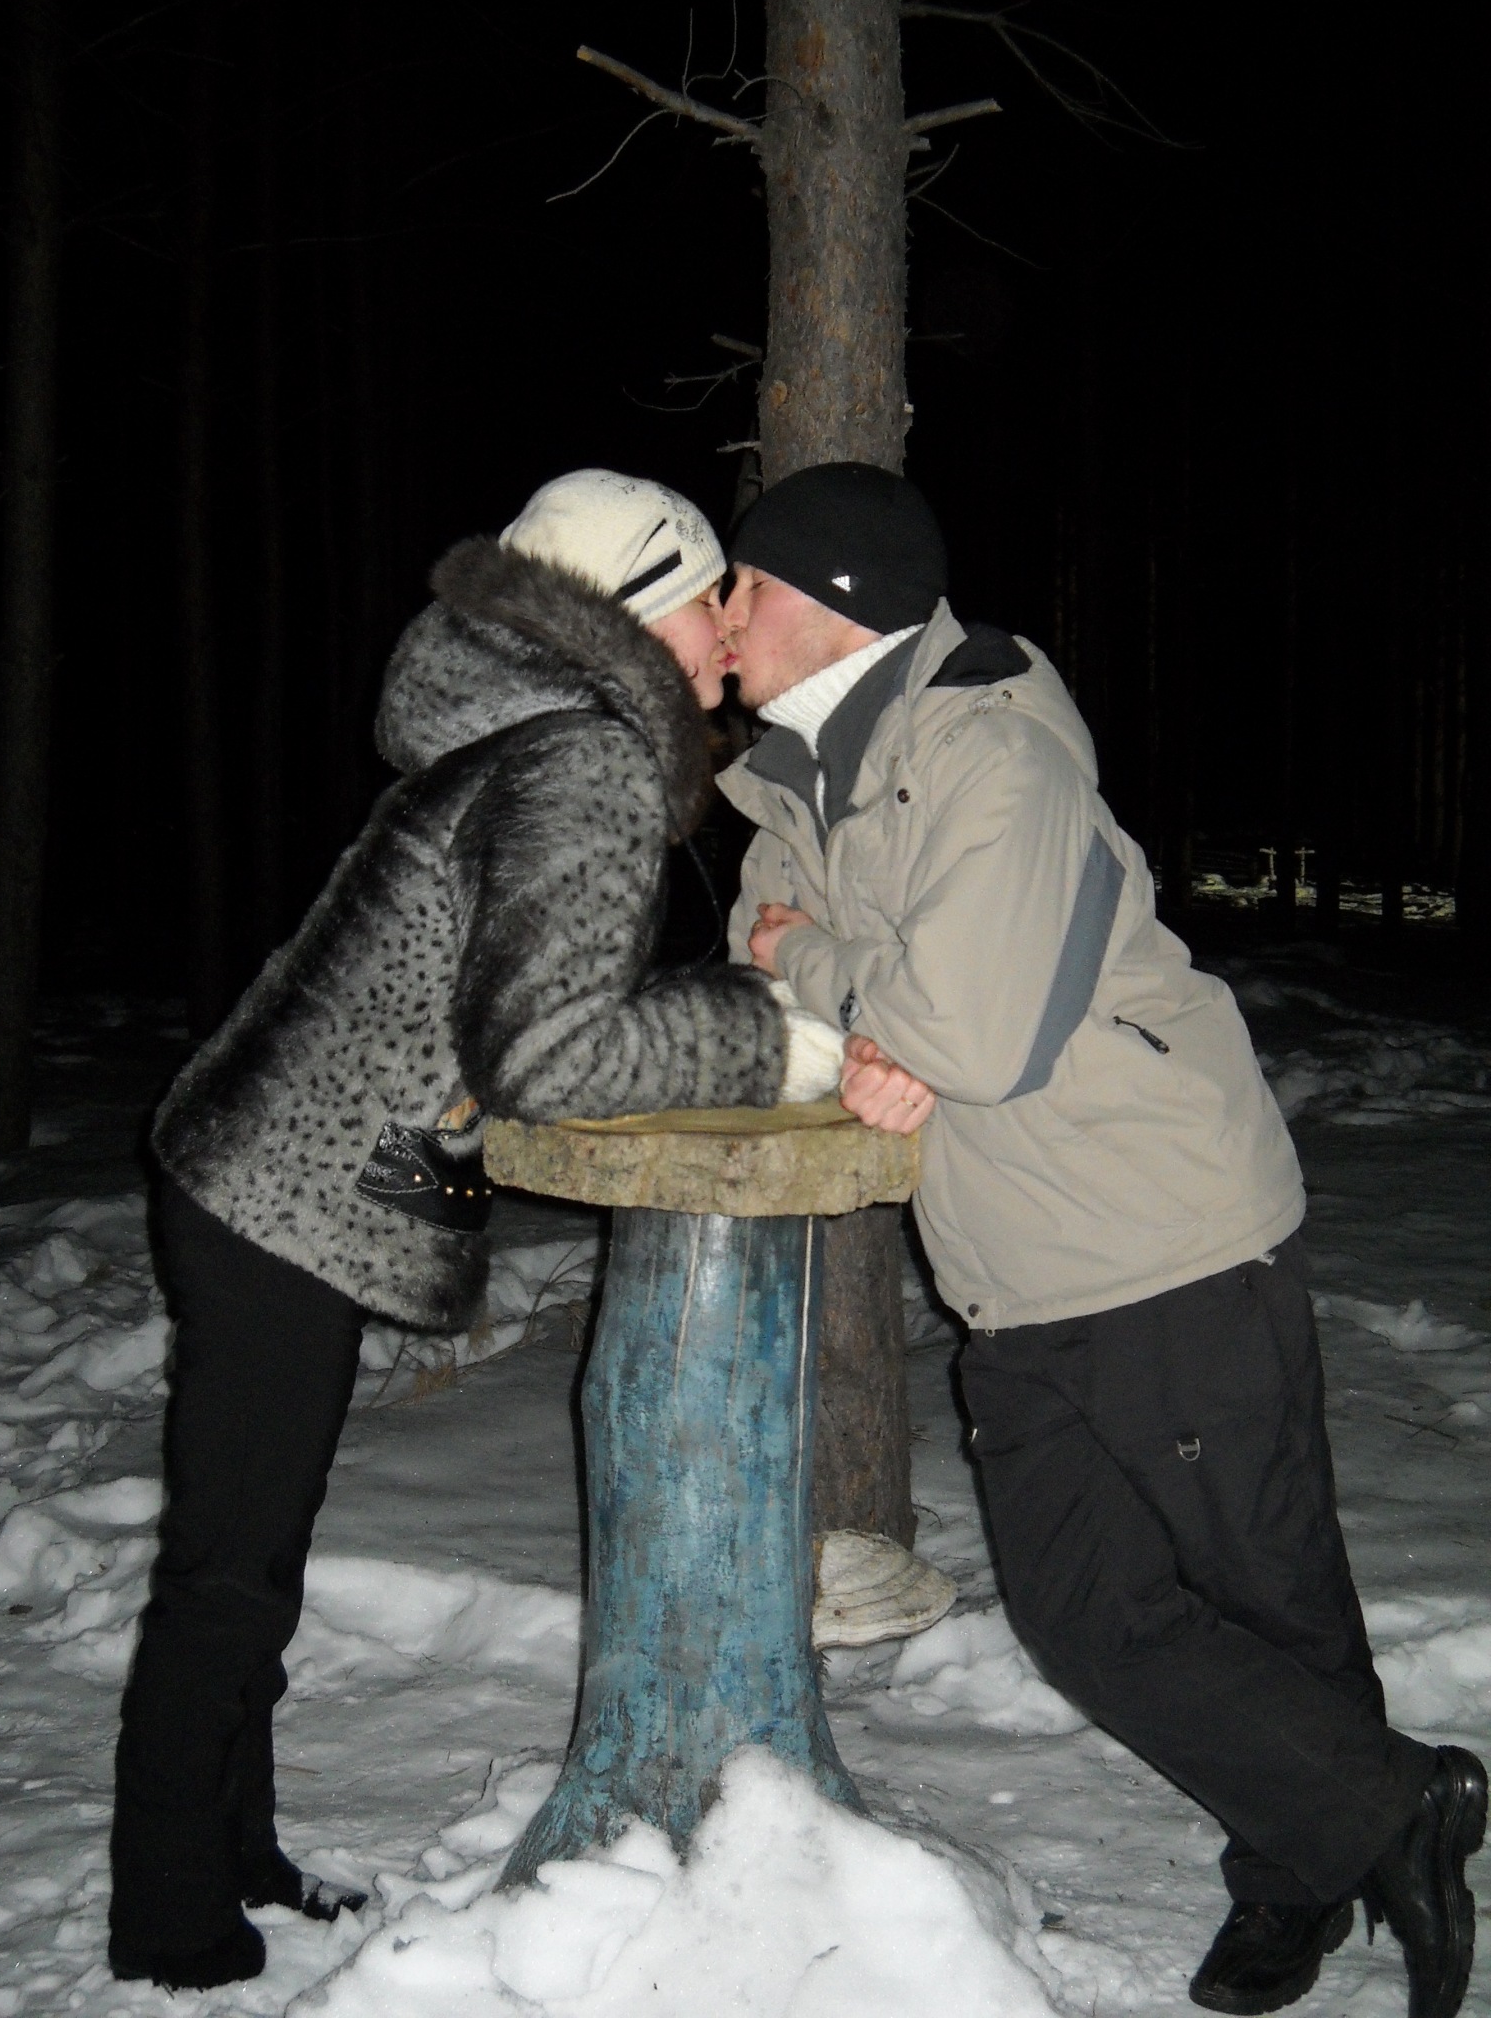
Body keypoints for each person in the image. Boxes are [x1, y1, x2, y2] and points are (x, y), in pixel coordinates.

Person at [717, 460, 1485, 2018]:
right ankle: (1390, 1805)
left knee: (1262, 1589)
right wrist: (857, 1003)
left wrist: (845, 981)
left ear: (832, 599)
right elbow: (758, 948)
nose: (718, 619)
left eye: (742, 585)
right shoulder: (793, 783)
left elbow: (964, 1032)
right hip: (1011, 1265)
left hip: (1163, 1231)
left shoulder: (993, 748)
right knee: (1084, 1617)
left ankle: (1296, 1877)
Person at [109, 469, 843, 1992]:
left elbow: (487, 1019)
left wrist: (695, 1008)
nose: (725, 632)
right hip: (275, 1201)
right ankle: (169, 1917)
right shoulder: (584, 759)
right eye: (705, 597)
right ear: (635, 609)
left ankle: (235, 1852)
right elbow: (549, 1057)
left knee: (253, 1555)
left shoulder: (520, 741)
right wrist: (764, 1038)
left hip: (261, 1178)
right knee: (229, 1570)